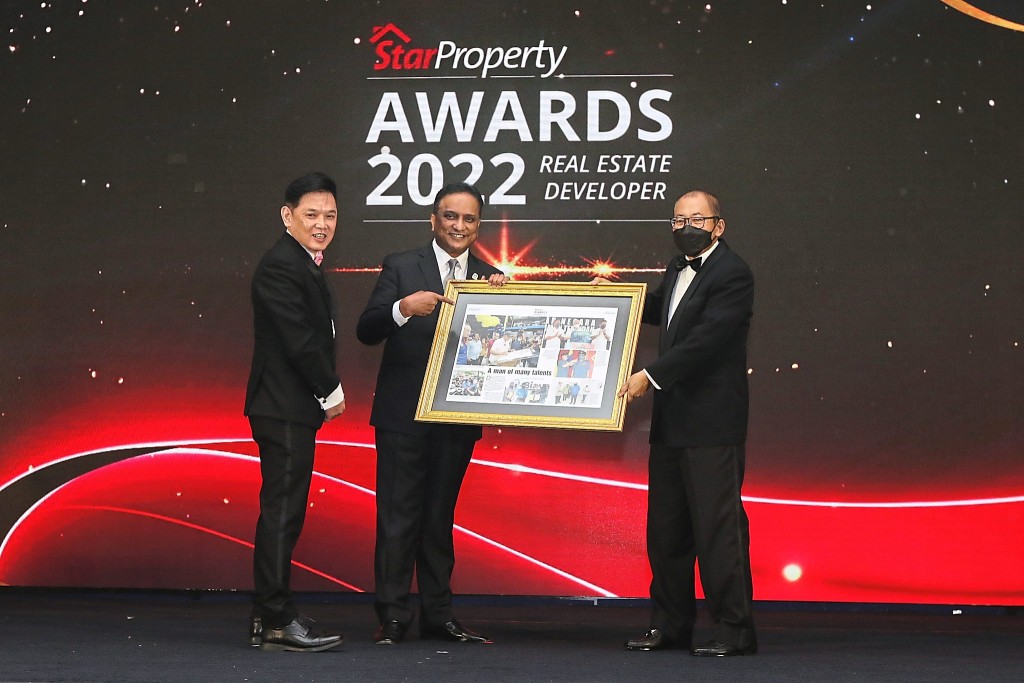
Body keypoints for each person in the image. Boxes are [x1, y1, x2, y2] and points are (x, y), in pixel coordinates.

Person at [356, 182, 507, 646]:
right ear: (433, 219)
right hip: (403, 414)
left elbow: (504, 349)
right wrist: (403, 308)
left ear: (478, 226)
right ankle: (394, 616)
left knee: (440, 518)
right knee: (399, 517)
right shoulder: (401, 266)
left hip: (457, 417)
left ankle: (438, 614)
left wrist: (506, 305)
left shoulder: (490, 275)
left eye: (469, 220)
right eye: (450, 216)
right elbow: (367, 329)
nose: (459, 226)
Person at [614, 190, 757, 657]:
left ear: (719, 225)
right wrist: (602, 304)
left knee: (718, 532)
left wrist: (649, 376)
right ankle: (670, 625)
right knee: (667, 532)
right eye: (678, 220)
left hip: (712, 424)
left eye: (696, 218)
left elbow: (706, 342)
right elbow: (657, 311)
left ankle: (734, 630)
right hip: (671, 422)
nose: (686, 227)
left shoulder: (732, 273)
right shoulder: (677, 268)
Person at [243, 172, 346, 653]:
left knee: (283, 512)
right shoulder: (281, 265)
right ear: (287, 216)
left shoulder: (301, 261)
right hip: (284, 405)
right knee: (283, 513)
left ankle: (269, 615)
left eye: (329, 215)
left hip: (287, 406)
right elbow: (299, 341)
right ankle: (278, 620)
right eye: (311, 215)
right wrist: (330, 390)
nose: (322, 224)